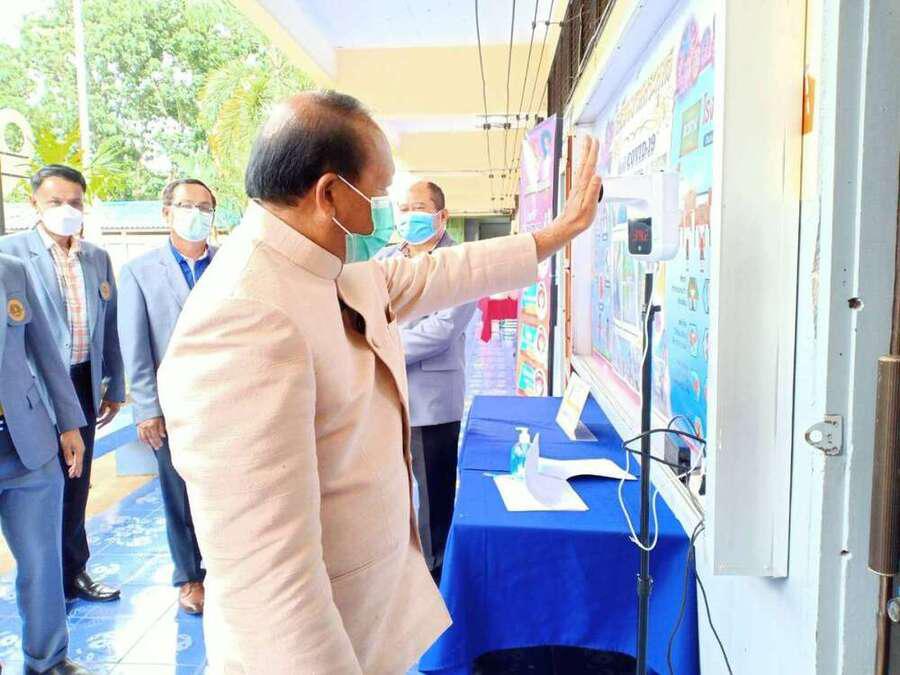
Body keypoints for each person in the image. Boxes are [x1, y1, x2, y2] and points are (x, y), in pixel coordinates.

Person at [157, 90, 602, 674]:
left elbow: (439, 272)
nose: (388, 214)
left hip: (372, 622)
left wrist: (558, 234)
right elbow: (269, 578)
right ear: (330, 194)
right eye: (380, 193)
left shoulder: (330, 264)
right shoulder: (242, 315)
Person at [0, 165, 125, 604]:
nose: (66, 210)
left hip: (82, 380)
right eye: (55, 202)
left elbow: (109, 325)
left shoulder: (96, 258)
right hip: (30, 391)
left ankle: (74, 570)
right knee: (39, 483)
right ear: (34, 202)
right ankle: (43, 579)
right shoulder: (11, 255)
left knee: (76, 480)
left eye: (74, 202)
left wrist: (115, 384)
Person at [118, 178, 218, 615]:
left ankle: (226, 569)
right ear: (166, 213)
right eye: (185, 205)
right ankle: (190, 576)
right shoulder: (139, 272)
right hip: (173, 406)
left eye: (204, 207)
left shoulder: (230, 264)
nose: (195, 214)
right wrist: (147, 409)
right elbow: (135, 347)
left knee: (228, 491)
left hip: (228, 401)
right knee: (179, 495)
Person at [375, 180, 476, 584]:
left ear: (441, 216)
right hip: (383, 396)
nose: (407, 216)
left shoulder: (459, 263)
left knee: (434, 499)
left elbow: (444, 330)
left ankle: (436, 580)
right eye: (403, 208)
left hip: (432, 402)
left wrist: (382, 345)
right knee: (387, 491)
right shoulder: (385, 259)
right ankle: (397, 570)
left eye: (417, 208)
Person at [0, 253, 92, 675]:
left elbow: (45, 352)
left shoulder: (10, 270)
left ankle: (48, 660)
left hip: (27, 443)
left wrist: (69, 422)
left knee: (41, 560)